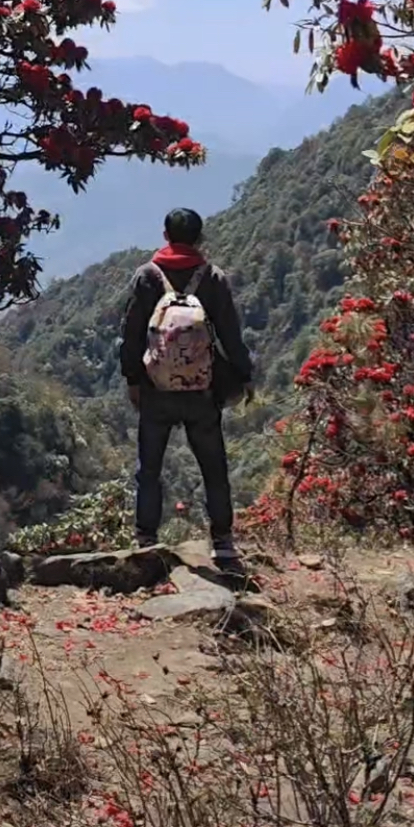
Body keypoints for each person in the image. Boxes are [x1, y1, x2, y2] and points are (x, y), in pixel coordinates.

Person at [120, 204, 253, 584]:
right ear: (199, 238)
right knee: (213, 468)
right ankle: (223, 543)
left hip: (155, 389)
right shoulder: (212, 277)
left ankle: (146, 540)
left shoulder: (147, 276)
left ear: (166, 236)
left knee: (150, 470)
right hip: (202, 391)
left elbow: (130, 335)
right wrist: (244, 375)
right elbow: (230, 333)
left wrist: (133, 378)